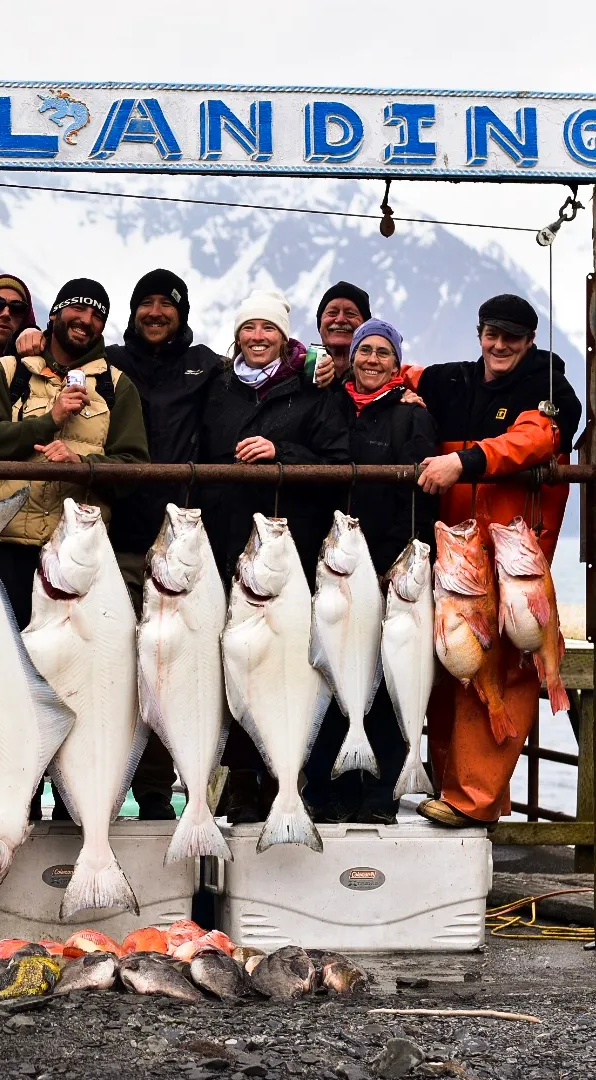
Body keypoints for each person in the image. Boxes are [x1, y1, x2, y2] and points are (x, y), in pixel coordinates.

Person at [408, 294, 581, 828]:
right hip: (456, 561)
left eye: (512, 336)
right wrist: (338, 366)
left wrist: (463, 461)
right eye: (492, 333)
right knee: (448, 669)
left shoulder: (551, 390)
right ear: (478, 333)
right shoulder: (450, 381)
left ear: (530, 341)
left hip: (513, 566)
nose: (500, 345)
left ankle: (474, 802)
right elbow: (395, 372)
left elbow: (534, 441)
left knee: (504, 672)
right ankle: (454, 794)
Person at [197, 288, 351, 823]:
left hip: (290, 555)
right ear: (236, 335)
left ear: (285, 336)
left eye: (268, 328)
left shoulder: (313, 387)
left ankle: (292, 778)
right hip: (226, 546)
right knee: (236, 660)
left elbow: (338, 460)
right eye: (249, 328)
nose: (258, 337)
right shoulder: (217, 387)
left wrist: (279, 453)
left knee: (289, 665)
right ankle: (242, 782)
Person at [98, 268, 224, 820]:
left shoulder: (206, 366)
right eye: (145, 303)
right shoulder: (104, 362)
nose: (155, 312)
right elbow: (43, 367)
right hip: (112, 543)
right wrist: (28, 334)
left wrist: (319, 363)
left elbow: (267, 362)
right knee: (111, 670)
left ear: (182, 312)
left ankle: (154, 792)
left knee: (168, 672)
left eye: (166, 304)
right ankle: (90, 791)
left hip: (181, 550)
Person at [302, 318, 438, 824]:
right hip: (336, 564)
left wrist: (409, 555)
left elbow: (425, 495)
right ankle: (325, 790)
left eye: (384, 352)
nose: (373, 360)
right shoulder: (330, 403)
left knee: (382, 682)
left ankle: (380, 794)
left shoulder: (411, 416)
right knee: (332, 672)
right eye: (366, 351)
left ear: (396, 363)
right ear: (351, 357)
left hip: (386, 567)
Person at [0, 278, 150, 628]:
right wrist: (48, 421)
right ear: (55, 314)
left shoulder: (117, 386)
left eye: (98, 314)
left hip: (79, 555)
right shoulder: (9, 373)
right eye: (78, 307)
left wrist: (81, 466)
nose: (86, 319)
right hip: (5, 545)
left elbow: (134, 468)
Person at [310, 281, 373, 388]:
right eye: (332, 313)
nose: (340, 320)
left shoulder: (380, 384)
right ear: (320, 324)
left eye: (350, 314)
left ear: (365, 326)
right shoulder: (297, 378)